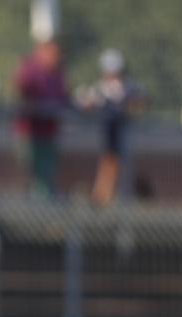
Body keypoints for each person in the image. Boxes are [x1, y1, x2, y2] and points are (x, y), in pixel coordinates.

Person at [74, 49, 145, 205]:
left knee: (119, 166)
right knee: (109, 163)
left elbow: (139, 103)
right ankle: (102, 198)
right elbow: (83, 104)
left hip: (124, 139)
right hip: (106, 139)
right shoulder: (99, 89)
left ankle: (115, 199)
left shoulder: (129, 89)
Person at [14, 40, 68, 197]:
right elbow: (22, 90)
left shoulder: (57, 73)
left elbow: (63, 97)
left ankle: (44, 205)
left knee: (47, 171)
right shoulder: (29, 70)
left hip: (49, 132)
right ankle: (34, 207)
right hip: (30, 132)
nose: (56, 58)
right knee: (33, 172)